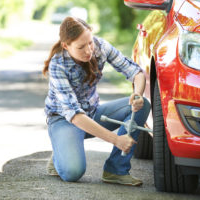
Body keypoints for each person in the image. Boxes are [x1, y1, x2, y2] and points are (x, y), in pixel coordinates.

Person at [43, 17, 150, 186]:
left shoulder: (101, 47)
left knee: (143, 104)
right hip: (65, 120)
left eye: (90, 43)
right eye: (81, 47)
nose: (88, 50)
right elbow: (75, 116)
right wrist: (116, 140)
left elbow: (136, 72)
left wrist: (137, 94)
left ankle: (116, 169)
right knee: (73, 172)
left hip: (93, 114)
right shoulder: (58, 65)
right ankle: (60, 152)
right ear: (66, 46)